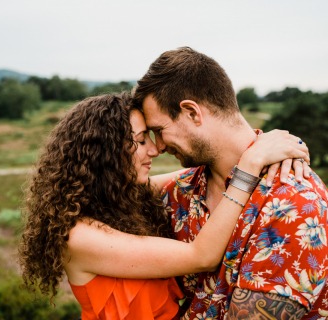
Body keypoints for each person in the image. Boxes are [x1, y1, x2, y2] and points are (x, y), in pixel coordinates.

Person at [18, 92, 310, 319]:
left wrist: (276, 145)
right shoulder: (78, 236)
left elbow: (210, 169)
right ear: (103, 153)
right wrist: (250, 165)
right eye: (141, 140)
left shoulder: (121, 196)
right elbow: (202, 256)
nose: (154, 150)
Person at [133, 47, 328, 319]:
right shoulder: (182, 191)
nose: (159, 147)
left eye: (159, 131)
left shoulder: (292, 201)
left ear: (192, 112)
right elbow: (103, 190)